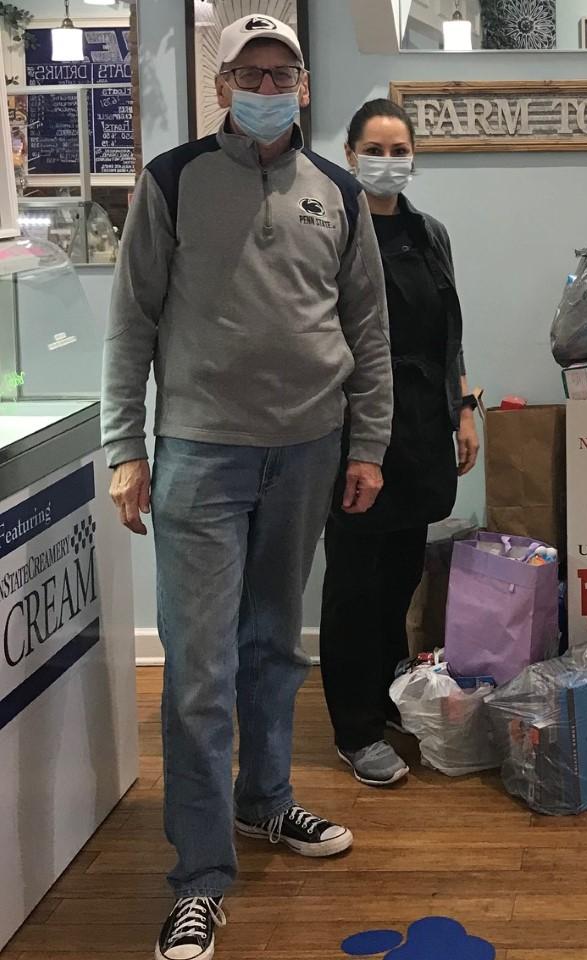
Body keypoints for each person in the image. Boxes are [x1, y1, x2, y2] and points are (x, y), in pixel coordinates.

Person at [101, 16, 392, 960]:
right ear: (222, 85)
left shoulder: (337, 191)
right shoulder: (173, 181)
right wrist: (125, 446)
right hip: (200, 452)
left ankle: (266, 800)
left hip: (308, 449)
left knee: (273, 646)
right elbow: (131, 322)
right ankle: (198, 878)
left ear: (303, 85)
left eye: (283, 72)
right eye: (250, 72)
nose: (268, 86)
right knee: (199, 672)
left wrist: (368, 444)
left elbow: (368, 330)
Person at [319, 99, 480, 787]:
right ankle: (353, 729)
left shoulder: (429, 233)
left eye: (399, 150)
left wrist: (464, 408)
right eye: (374, 150)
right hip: (353, 426)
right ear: (349, 155)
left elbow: (450, 335)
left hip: (421, 425)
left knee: (401, 574)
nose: (388, 162)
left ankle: (386, 694)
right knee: (354, 582)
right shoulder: (331, 230)